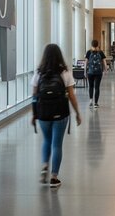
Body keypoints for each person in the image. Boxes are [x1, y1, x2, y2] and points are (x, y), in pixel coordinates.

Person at [31, 44, 82, 188]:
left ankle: (44, 165)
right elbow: (71, 96)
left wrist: (34, 114)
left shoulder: (39, 73)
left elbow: (34, 96)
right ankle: (54, 177)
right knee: (57, 144)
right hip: (61, 112)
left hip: (43, 113)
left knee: (47, 140)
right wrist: (77, 113)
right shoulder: (64, 72)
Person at [85, 40, 106, 108]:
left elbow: (86, 63)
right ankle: (96, 103)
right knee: (97, 87)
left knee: (90, 86)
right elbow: (104, 62)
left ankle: (91, 101)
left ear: (91, 45)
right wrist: (105, 70)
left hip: (90, 72)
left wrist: (84, 71)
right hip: (98, 72)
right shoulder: (100, 52)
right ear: (98, 45)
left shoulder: (88, 52)